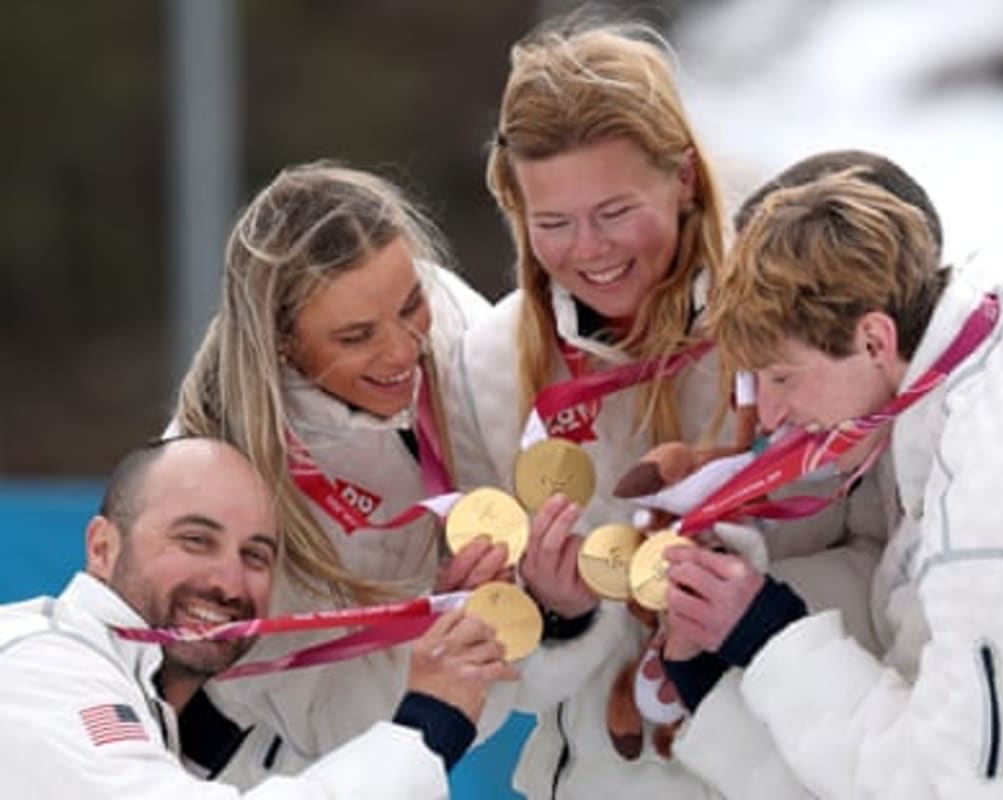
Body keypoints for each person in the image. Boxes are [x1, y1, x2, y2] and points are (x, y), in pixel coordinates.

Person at [447, 21, 888, 799]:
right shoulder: (491, 361)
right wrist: (557, 616)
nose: (589, 250)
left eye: (615, 211)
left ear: (683, 176)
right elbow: (487, 659)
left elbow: (888, 561)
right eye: (553, 223)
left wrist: (749, 604)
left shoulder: (794, 323)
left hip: (785, 771)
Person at [667, 163, 1003, 797]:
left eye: (782, 376)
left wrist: (765, 638)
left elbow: (970, 789)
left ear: (873, 338)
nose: (775, 415)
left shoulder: (1000, 496)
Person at [170, 162, 512, 786]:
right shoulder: (217, 469)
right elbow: (330, 722)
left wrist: (508, 596)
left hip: (409, 750)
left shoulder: (458, 322)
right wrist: (438, 637)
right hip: (254, 772)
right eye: (356, 337)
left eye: (411, 305)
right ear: (283, 342)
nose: (403, 349)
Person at [0, 436, 517, 798]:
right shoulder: (43, 668)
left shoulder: (157, 708)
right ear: (103, 547)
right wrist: (427, 726)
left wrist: (450, 645)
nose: (227, 582)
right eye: (195, 540)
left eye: (255, 555)